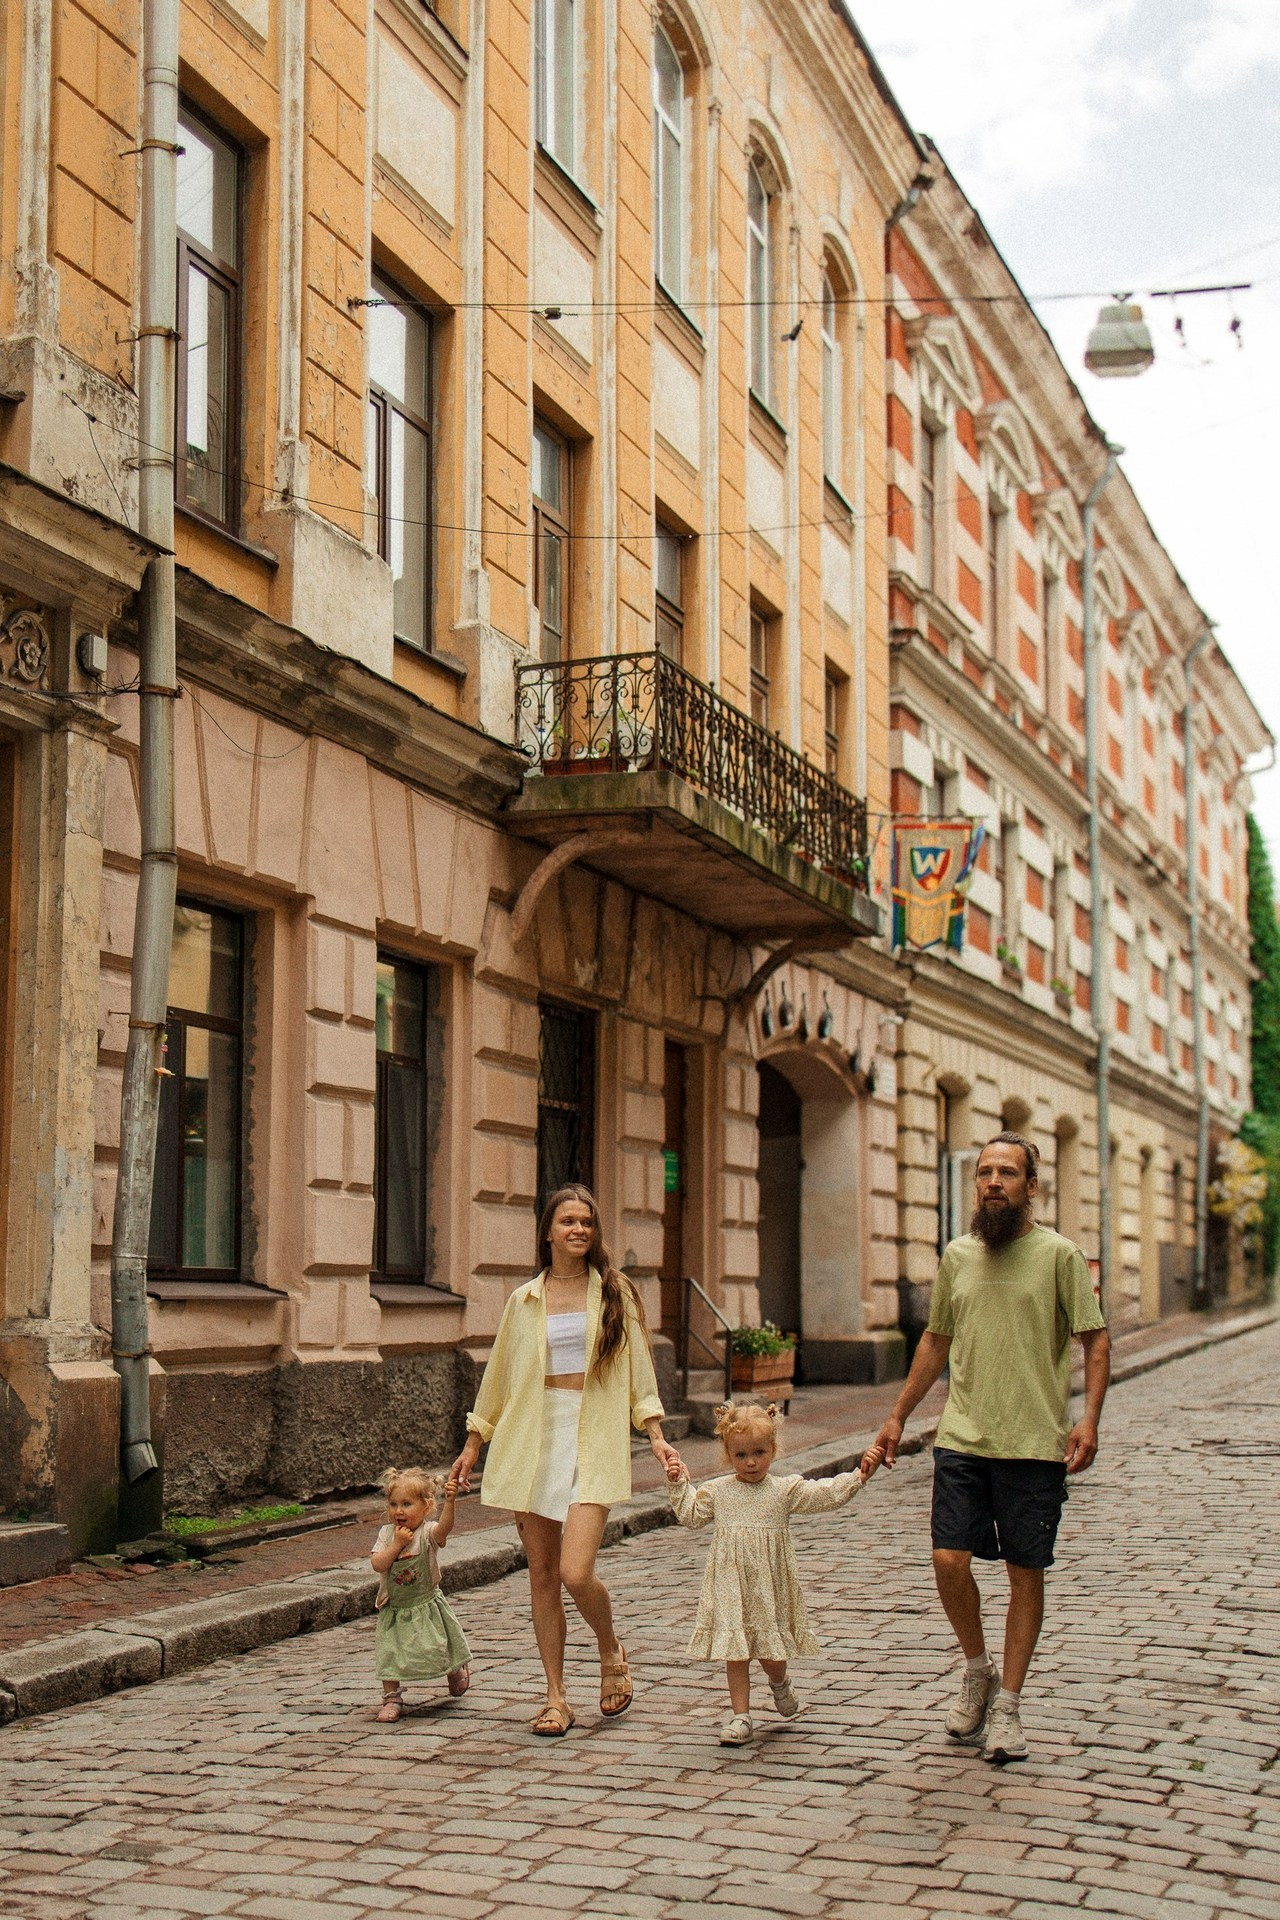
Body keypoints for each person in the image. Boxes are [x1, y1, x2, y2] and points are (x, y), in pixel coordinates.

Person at [862, 1131, 1110, 1765]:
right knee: (949, 1560)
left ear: (1032, 1187)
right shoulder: (958, 1256)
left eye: (1007, 1173)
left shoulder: (1060, 1256)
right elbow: (935, 1342)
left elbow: (1095, 1339)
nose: (993, 1181)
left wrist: (1088, 1420)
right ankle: (978, 1669)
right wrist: (896, 1417)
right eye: (984, 1172)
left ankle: (1009, 1705)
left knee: (1025, 1570)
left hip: (1033, 1442)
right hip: (963, 1436)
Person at [450, 1184, 683, 1736]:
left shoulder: (614, 1294)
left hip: (593, 1435)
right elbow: (499, 1377)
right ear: (549, 1232)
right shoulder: (523, 1300)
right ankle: (556, 1696)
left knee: (576, 1572)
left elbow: (638, 1372)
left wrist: (656, 1434)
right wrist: (473, 1442)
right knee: (542, 1577)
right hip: (533, 1437)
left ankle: (611, 1649)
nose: (578, 1230)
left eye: (587, 1222)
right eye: (568, 1222)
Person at [667, 1401, 879, 1746]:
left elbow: (823, 1495)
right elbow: (691, 1514)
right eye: (741, 1455)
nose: (751, 1462)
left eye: (759, 1452)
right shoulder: (720, 1491)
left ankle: (780, 1683)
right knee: (735, 1650)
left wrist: (858, 1476)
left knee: (770, 1653)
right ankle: (740, 1716)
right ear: (727, 1454)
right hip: (731, 1586)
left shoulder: (783, 1490)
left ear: (774, 1449)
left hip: (769, 1586)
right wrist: (678, 1482)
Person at [369, 1466, 471, 1721]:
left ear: (426, 1507)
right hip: (395, 1606)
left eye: (407, 1504)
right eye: (393, 1504)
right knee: (390, 1652)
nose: (399, 1511)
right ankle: (391, 1697)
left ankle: (454, 1669)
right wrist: (397, 1545)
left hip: (425, 1602)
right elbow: (378, 1564)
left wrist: (450, 1502)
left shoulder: (427, 1532)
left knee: (439, 1643)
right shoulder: (387, 1535)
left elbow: (444, 1529)